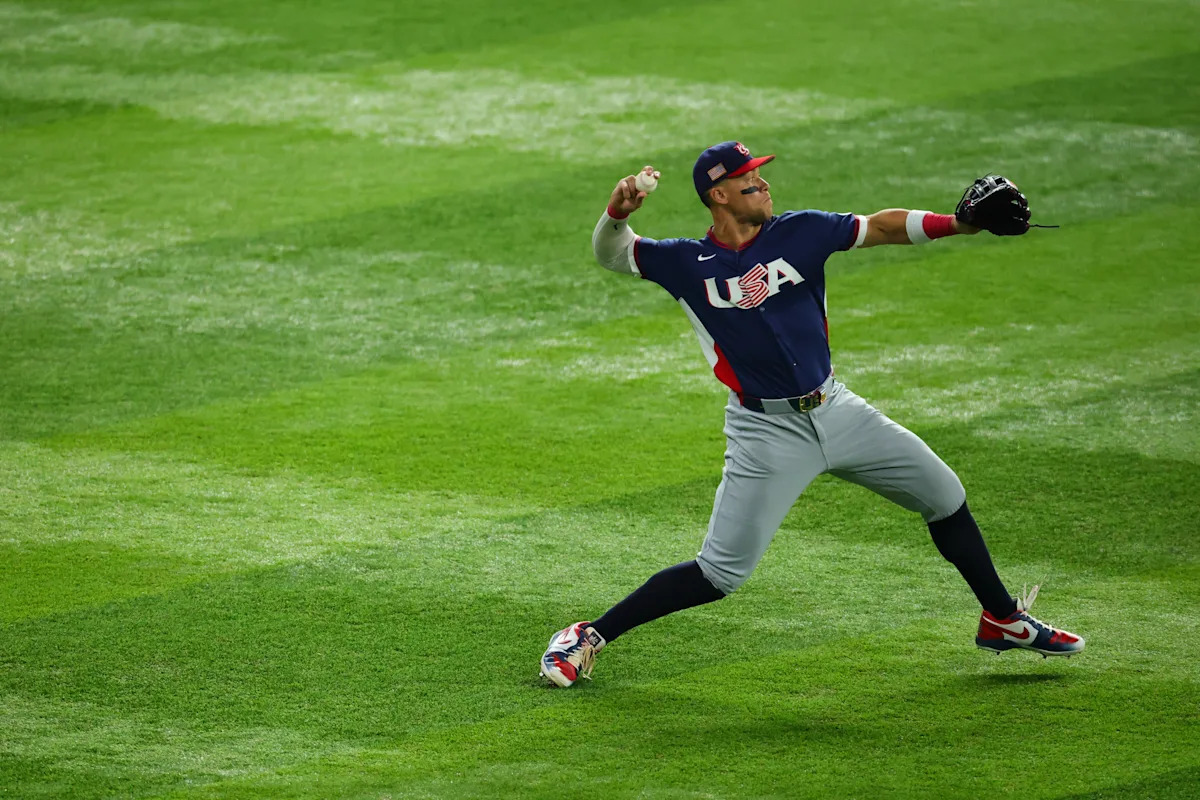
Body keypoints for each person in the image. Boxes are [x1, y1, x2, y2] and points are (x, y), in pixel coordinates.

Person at [539, 142, 1084, 688]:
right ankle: (587, 636)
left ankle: (1003, 620)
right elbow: (614, 254)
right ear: (719, 195)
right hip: (765, 431)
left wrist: (959, 224)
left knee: (944, 495)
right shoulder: (685, 262)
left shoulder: (801, 231)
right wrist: (617, 213)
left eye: (762, 176)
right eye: (749, 180)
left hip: (837, 408)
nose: (764, 185)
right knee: (720, 574)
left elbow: (883, 227)